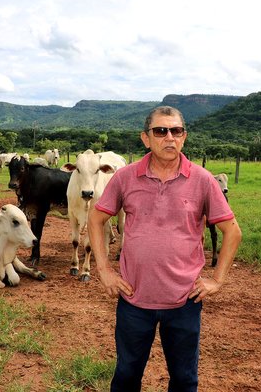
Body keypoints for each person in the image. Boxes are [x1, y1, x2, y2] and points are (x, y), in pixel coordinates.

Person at [88, 106, 242, 391]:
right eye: (161, 131)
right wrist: (104, 270)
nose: (169, 137)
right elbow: (96, 219)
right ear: (146, 138)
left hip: (184, 301)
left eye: (176, 131)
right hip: (134, 299)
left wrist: (217, 279)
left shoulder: (203, 180)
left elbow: (232, 232)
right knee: (126, 375)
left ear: (184, 136)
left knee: (184, 379)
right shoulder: (125, 178)